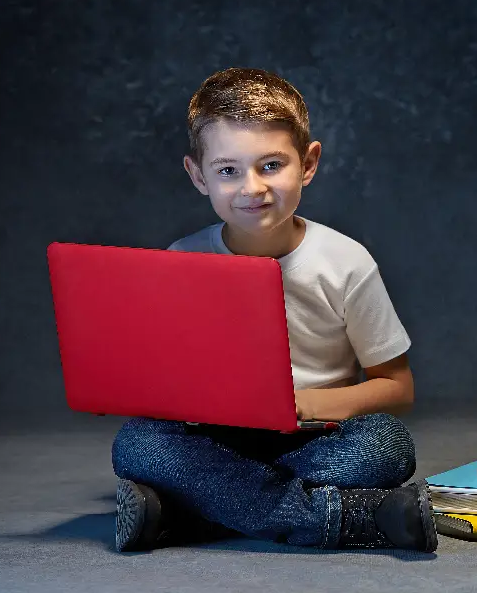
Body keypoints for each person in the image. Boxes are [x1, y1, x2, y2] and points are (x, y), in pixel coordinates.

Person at [110, 67, 437, 553]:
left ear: (307, 164)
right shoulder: (181, 260)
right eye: (227, 170)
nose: (252, 188)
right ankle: (348, 520)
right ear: (198, 175)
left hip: (314, 436)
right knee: (136, 444)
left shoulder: (345, 261)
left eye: (270, 165)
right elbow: (161, 380)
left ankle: (189, 514)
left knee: (386, 447)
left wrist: (307, 405)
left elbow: (398, 385)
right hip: (217, 439)